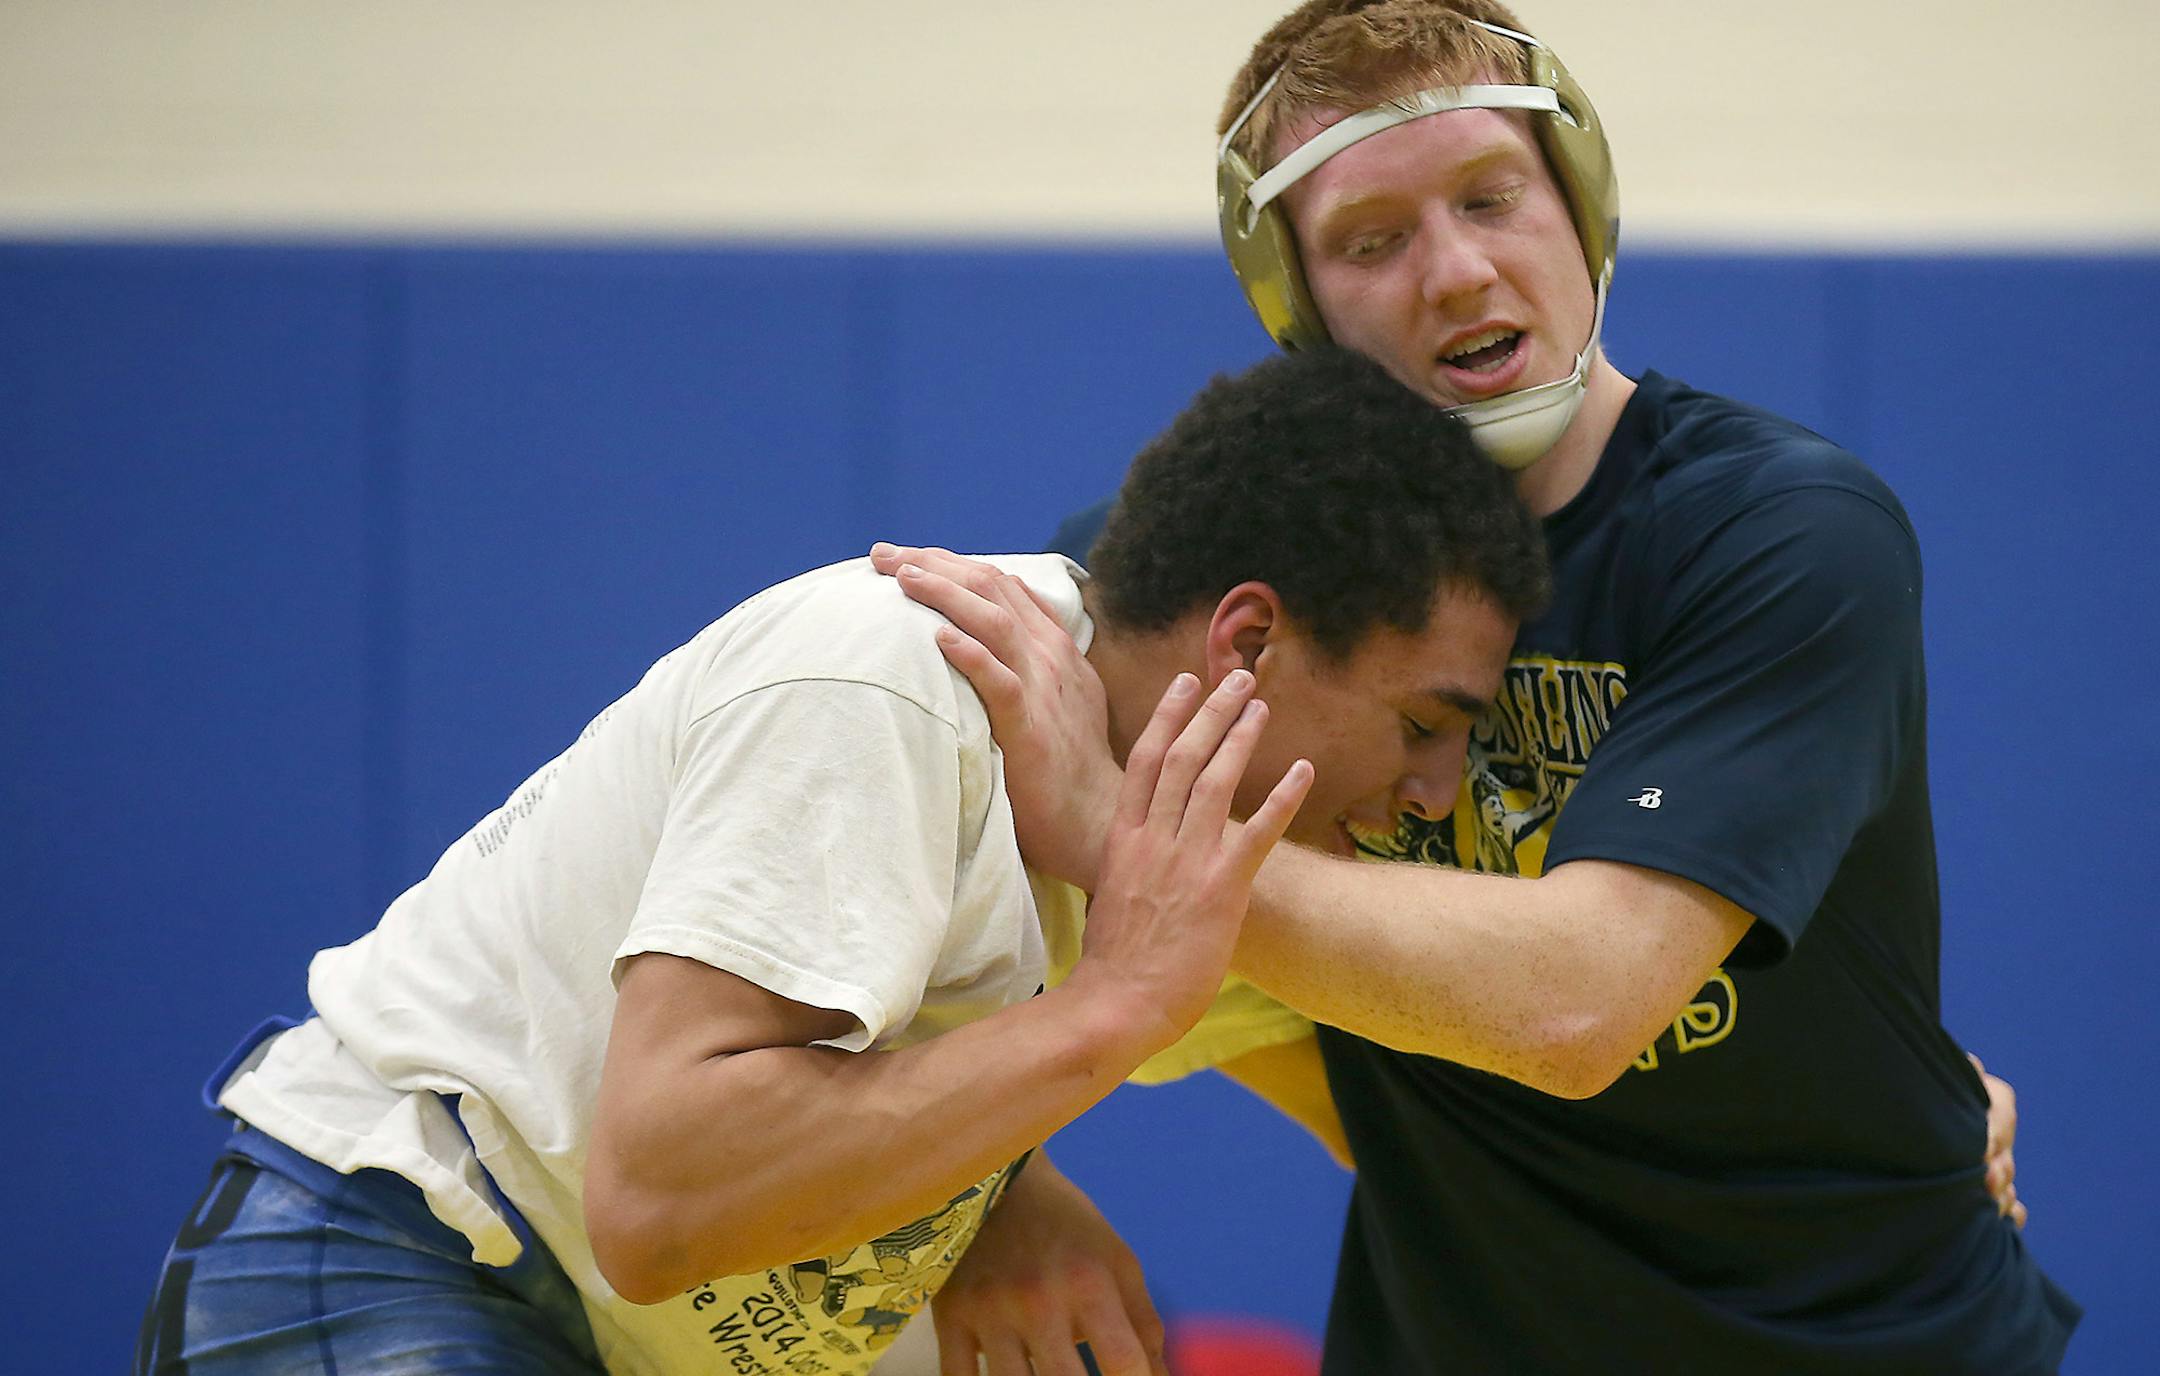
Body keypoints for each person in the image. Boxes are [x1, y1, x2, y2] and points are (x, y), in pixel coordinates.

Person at [873, 2, 2079, 1371]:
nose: (1454, 272)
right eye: (1373, 242)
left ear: (1586, 214)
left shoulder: (1779, 533)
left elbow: (1578, 1006)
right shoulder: (1208, 574)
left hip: (1854, 1343)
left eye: (1493, 200)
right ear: (1297, 304)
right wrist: (990, 1189)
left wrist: (1116, 826)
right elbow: (944, 918)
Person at [135, 345, 1554, 1376]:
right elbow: (659, 1199)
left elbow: (1470, 1180)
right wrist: (1108, 1014)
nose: (1432, 797)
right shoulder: (892, 683)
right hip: (399, 1252)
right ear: (1246, 642)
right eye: (1426, 725)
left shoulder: (1154, 838)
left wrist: (1006, 1180)